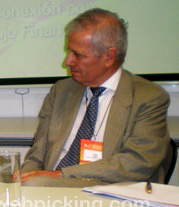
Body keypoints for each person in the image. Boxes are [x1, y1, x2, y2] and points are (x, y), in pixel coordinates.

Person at [20, 8, 171, 187]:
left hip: (111, 190)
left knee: (35, 185)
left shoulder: (148, 97)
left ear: (109, 56)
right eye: (69, 52)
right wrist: (24, 178)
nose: (67, 61)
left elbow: (138, 163)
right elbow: (37, 153)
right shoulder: (61, 91)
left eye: (78, 54)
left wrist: (59, 175)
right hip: (49, 189)